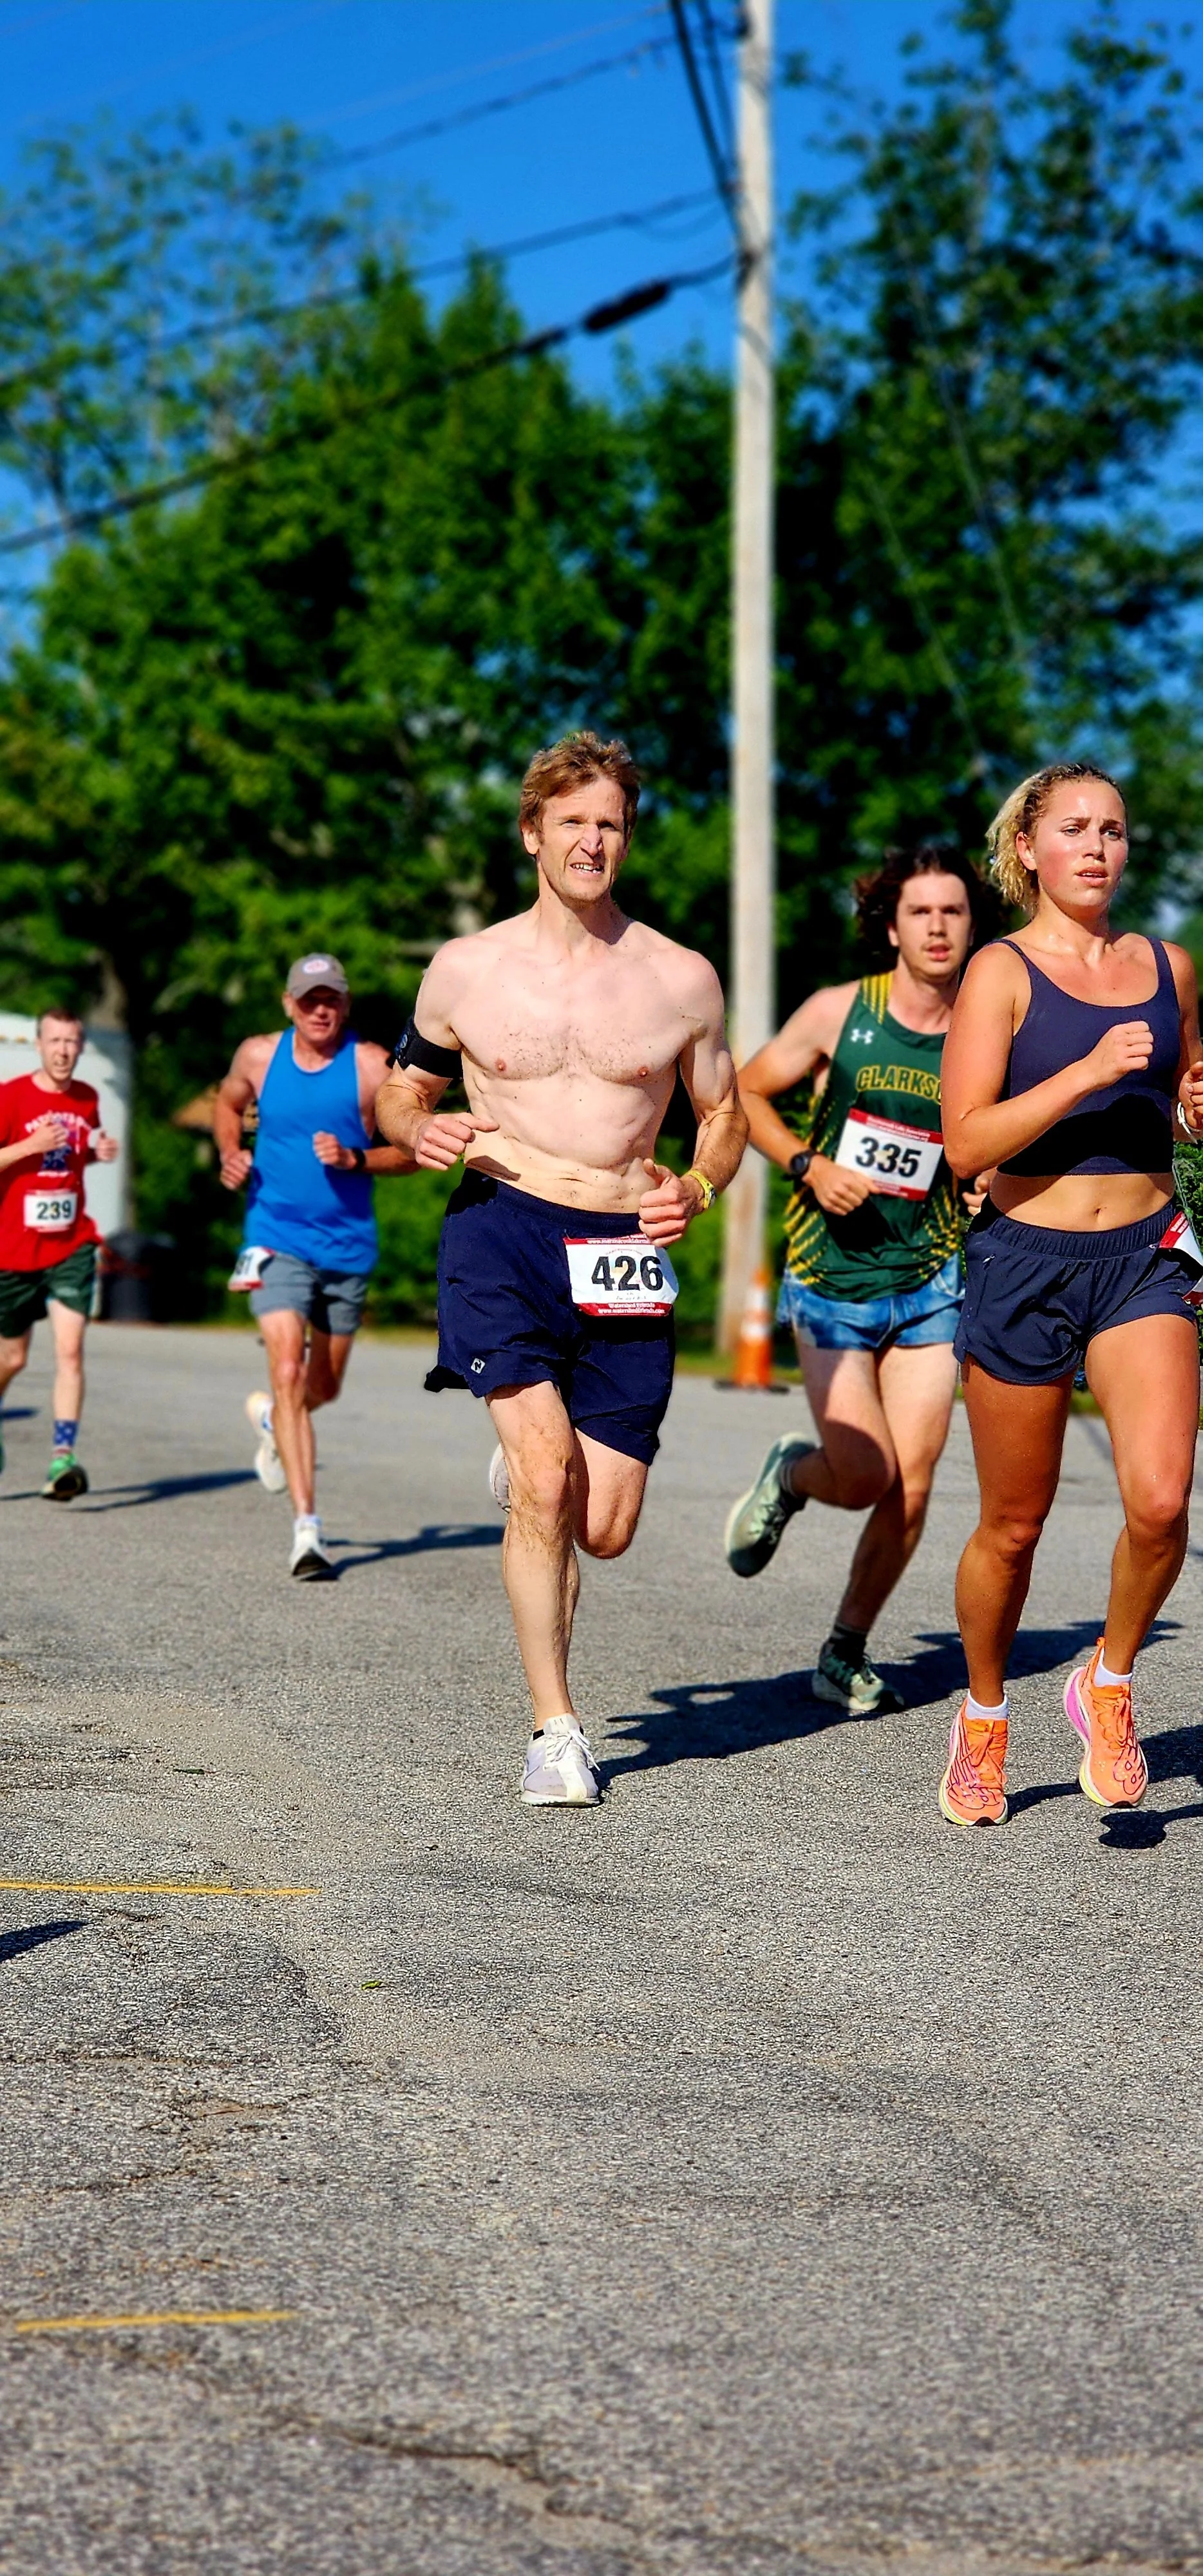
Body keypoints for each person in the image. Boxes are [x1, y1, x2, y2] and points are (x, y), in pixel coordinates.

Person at [375, 730, 746, 1806]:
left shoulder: (678, 978)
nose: (592, 841)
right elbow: (403, 1089)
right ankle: (554, 1729)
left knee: (605, 1523)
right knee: (547, 1477)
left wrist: (701, 1185)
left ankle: (533, 1469)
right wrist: (422, 1126)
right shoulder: (466, 969)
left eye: (611, 824)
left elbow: (721, 1111)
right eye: (572, 820)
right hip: (498, 1225)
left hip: (621, 1244)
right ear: (531, 829)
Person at [938, 761, 1203, 1826]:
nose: (1097, 847)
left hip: (1143, 1252)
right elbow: (965, 1142)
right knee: (1012, 1524)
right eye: (1074, 830)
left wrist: (1189, 1107)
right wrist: (1082, 1073)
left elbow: (1183, 1103)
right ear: (1027, 852)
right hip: (1022, 1259)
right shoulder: (999, 974)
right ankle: (984, 1714)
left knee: (1159, 1498)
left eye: (1114, 831)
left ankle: (1109, 1680)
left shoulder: (1168, 967)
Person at [723, 846, 997, 1714]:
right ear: (891, 927)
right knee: (863, 1474)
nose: (939, 927)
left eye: (954, 912)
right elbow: (746, 1093)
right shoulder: (841, 1012)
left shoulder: (991, 1029)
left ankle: (845, 1646)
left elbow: (996, 1136)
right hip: (831, 1277)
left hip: (930, 1278)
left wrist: (988, 1173)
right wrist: (808, 1165)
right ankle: (794, 1475)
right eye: (921, 913)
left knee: (911, 1481)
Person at [214, 952, 408, 1581]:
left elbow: (412, 1152)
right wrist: (230, 1151)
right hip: (274, 1236)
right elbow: (227, 1103)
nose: (319, 1008)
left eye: (330, 998)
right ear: (288, 1004)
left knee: (321, 1387)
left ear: (345, 1004)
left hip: (346, 1249)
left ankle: (274, 1419)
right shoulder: (256, 1055)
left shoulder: (373, 1067)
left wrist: (356, 1159)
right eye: (307, 999)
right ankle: (307, 1532)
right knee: (287, 1367)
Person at [0, 1005, 120, 1500]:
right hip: (12, 1250)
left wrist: (97, 1152)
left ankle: (62, 1460)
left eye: (72, 1042)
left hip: (71, 1242)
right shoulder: (10, 1098)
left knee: (70, 1352)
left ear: (81, 1045)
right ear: (39, 1045)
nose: (64, 1051)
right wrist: (28, 1146)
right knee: (12, 1357)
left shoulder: (88, 1098)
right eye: (55, 1042)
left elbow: (70, 1153)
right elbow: (33, 1151)